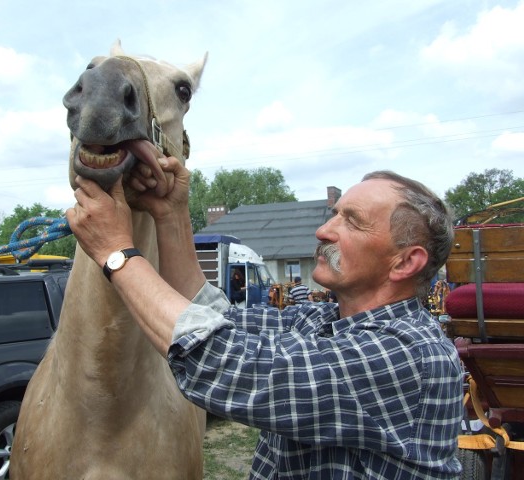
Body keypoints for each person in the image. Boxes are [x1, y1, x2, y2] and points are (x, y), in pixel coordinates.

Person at [67, 148, 463, 479]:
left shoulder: (413, 354)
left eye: (352, 222)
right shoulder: (319, 321)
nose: (324, 230)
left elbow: (227, 364)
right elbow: (207, 313)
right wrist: (172, 213)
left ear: (405, 262)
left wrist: (116, 252)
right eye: (336, 214)